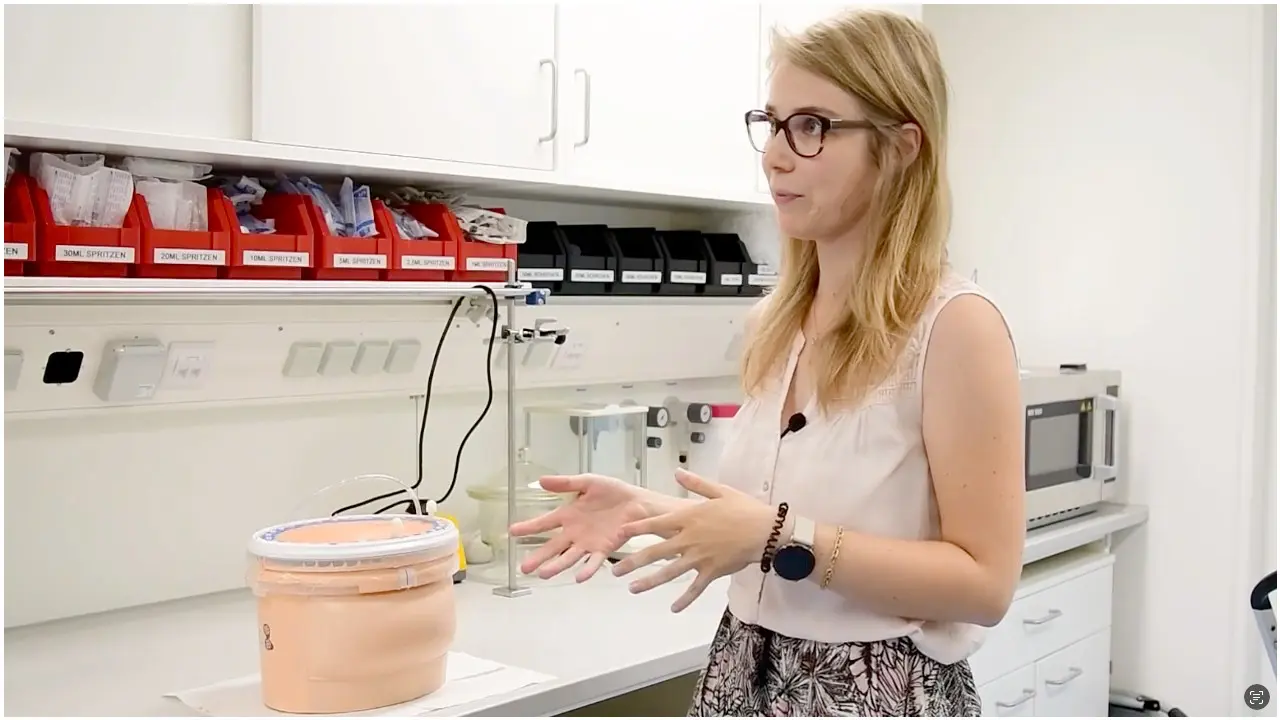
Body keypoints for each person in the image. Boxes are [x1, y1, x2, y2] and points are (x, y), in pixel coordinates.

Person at [509, 8, 1026, 717]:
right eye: (773, 123)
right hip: (745, 666)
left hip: (879, 692)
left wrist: (782, 538)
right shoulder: (779, 322)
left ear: (903, 146)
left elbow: (986, 584)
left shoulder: (955, 326)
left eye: (812, 126)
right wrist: (652, 513)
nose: (776, 154)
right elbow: (768, 519)